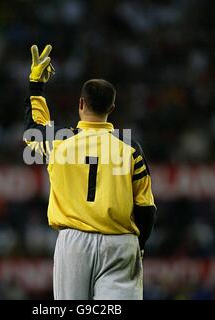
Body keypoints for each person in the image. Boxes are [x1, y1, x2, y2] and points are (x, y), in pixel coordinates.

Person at [23, 44, 157, 300]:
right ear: (112, 108)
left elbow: (32, 129)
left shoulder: (59, 141)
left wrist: (36, 86)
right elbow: (146, 207)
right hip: (120, 242)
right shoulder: (130, 148)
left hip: (73, 243)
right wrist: (137, 246)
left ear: (81, 103)